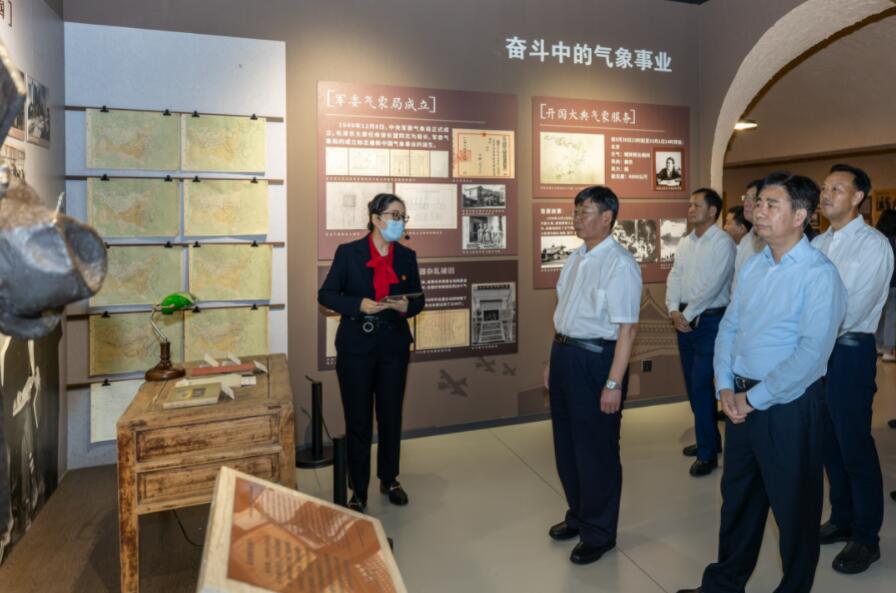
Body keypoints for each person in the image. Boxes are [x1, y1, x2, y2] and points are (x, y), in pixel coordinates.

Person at [677, 172, 847, 593]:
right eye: (758, 203)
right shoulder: (754, 265)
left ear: (800, 216)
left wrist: (754, 398)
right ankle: (723, 584)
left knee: (794, 509)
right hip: (740, 399)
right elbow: (729, 328)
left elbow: (811, 355)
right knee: (738, 500)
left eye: (772, 204)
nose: (759, 211)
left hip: (788, 405)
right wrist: (724, 387)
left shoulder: (819, 274)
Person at [543, 185, 641, 565]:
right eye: (575, 212)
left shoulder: (620, 264)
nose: (577, 219)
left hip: (597, 361)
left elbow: (627, 330)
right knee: (567, 446)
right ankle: (579, 515)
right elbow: (564, 313)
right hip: (565, 354)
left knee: (596, 450)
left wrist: (613, 383)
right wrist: (552, 360)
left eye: (584, 212)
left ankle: (599, 532)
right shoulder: (576, 258)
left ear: (607, 218)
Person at [318, 193, 424, 512]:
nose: (400, 222)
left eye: (403, 216)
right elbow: (326, 294)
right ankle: (359, 488)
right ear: (376, 219)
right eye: (395, 215)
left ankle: (389, 478)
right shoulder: (348, 253)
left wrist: (406, 306)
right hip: (356, 347)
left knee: (391, 415)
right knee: (358, 419)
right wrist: (358, 305)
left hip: (393, 346)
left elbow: (418, 299)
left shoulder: (406, 256)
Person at [812, 165, 893, 574]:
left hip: (847, 351)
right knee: (829, 444)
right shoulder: (818, 242)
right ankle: (842, 517)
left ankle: (866, 537)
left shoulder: (873, 245)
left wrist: (807, 327)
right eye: (824, 188)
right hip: (815, 353)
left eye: (837, 189)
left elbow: (854, 308)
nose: (826, 195)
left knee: (854, 446)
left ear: (859, 197)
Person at [666, 188, 736, 475]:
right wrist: (673, 309)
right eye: (689, 204)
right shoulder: (686, 242)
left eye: (697, 205)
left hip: (709, 321)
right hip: (684, 318)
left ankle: (707, 454)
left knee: (700, 384)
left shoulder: (722, 242)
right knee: (692, 385)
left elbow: (714, 285)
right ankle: (709, 440)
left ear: (712, 211)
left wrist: (687, 314)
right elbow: (675, 275)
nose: (690, 209)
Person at [875, 209, 896, 361]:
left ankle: (878, 345)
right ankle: (889, 350)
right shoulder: (894, 240)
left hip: (878, 283)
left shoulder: (876, 238)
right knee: (891, 315)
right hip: (893, 282)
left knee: (880, 315)